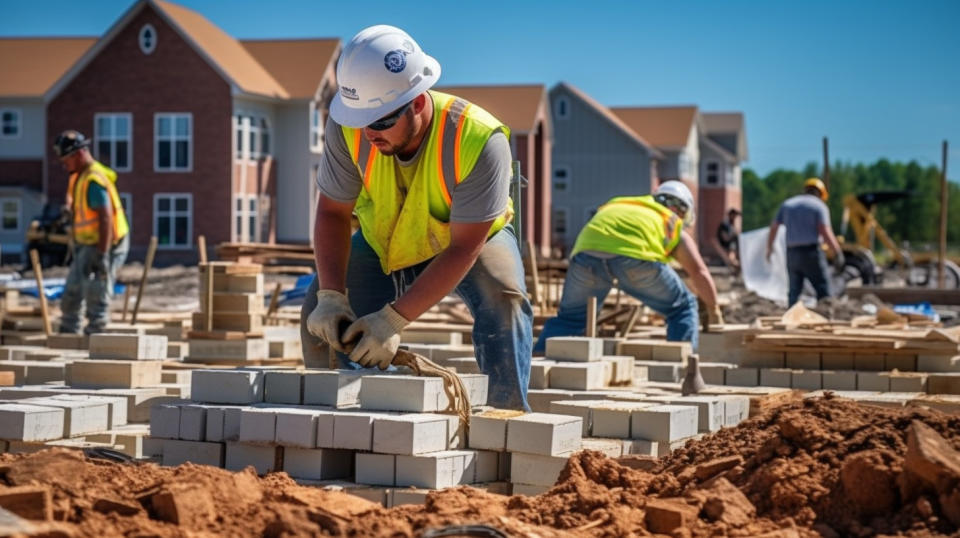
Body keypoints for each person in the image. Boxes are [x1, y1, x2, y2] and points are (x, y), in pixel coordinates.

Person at [300, 25, 533, 410]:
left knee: (504, 297)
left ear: (419, 104)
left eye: (380, 122)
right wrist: (330, 296)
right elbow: (331, 212)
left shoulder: (478, 138)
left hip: (469, 241)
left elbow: (464, 246)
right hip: (386, 239)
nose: (368, 133)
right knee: (318, 317)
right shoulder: (349, 129)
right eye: (360, 120)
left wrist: (392, 320)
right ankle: (337, 428)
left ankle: (504, 425)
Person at [534, 181, 722, 353]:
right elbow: (699, 272)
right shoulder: (670, 221)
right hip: (636, 261)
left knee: (571, 318)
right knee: (683, 306)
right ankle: (684, 371)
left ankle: (535, 372)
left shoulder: (621, 203)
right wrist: (714, 311)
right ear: (680, 211)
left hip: (586, 256)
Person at [53, 130, 130, 334]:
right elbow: (73, 199)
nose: (64, 165)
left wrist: (102, 255)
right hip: (88, 242)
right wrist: (69, 209)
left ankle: (97, 333)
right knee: (73, 288)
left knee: (97, 287)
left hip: (107, 242)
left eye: (66, 160)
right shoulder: (79, 176)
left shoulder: (94, 179)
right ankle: (69, 333)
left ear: (78, 155)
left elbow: (105, 218)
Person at [766, 177, 844, 306]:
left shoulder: (788, 204)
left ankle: (791, 317)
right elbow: (825, 232)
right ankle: (825, 317)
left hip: (792, 253)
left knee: (794, 291)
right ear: (820, 193)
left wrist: (769, 248)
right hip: (811, 253)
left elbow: (774, 227)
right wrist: (837, 252)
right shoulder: (819, 206)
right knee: (823, 289)